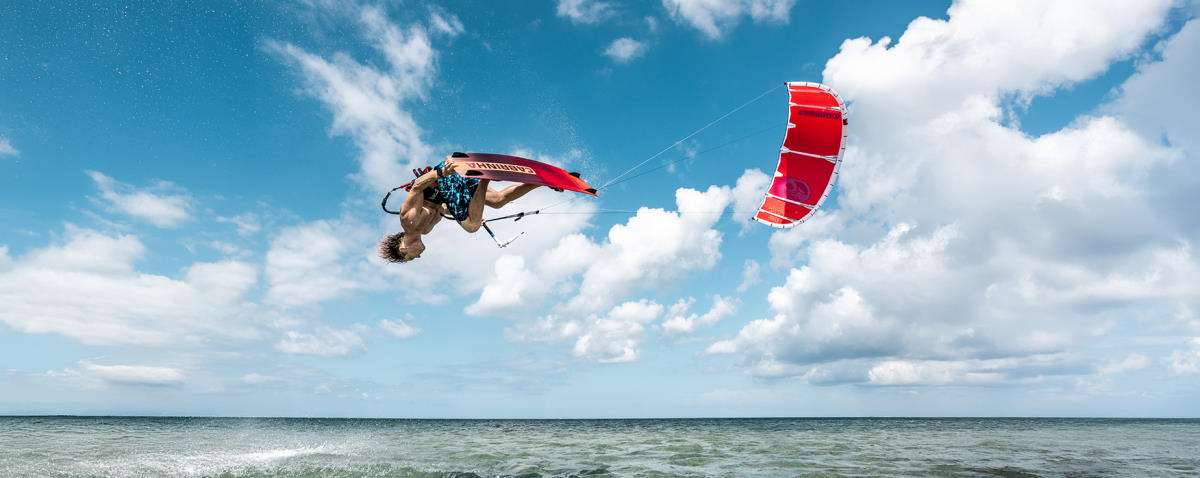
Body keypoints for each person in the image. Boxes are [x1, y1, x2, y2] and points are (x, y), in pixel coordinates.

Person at [377, 158, 542, 263]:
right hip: (451, 188)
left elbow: (417, 187)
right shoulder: (425, 229)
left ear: (403, 249)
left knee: (471, 227)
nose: (418, 256)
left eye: (412, 257)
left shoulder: (409, 221)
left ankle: (484, 178)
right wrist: (474, 214)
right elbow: (444, 207)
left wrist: (442, 172)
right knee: (498, 201)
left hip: (445, 176)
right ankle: (543, 182)